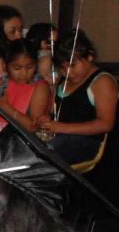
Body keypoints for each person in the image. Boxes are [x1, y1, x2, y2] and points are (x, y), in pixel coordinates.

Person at [37, 30, 117, 165]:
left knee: (44, 153)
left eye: (73, 65)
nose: (68, 72)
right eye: (62, 67)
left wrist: (62, 128)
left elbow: (106, 124)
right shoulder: (62, 81)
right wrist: (45, 119)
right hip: (60, 138)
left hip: (86, 143)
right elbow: (51, 111)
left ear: (89, 56)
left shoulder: (102, 82)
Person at [0, 38, 51, 133]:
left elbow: (34, 127)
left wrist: (5, 107)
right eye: (17, 68)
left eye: (30, 67)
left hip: (22, 139)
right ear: (5, 66)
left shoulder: (40, 87)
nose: (24, 73)